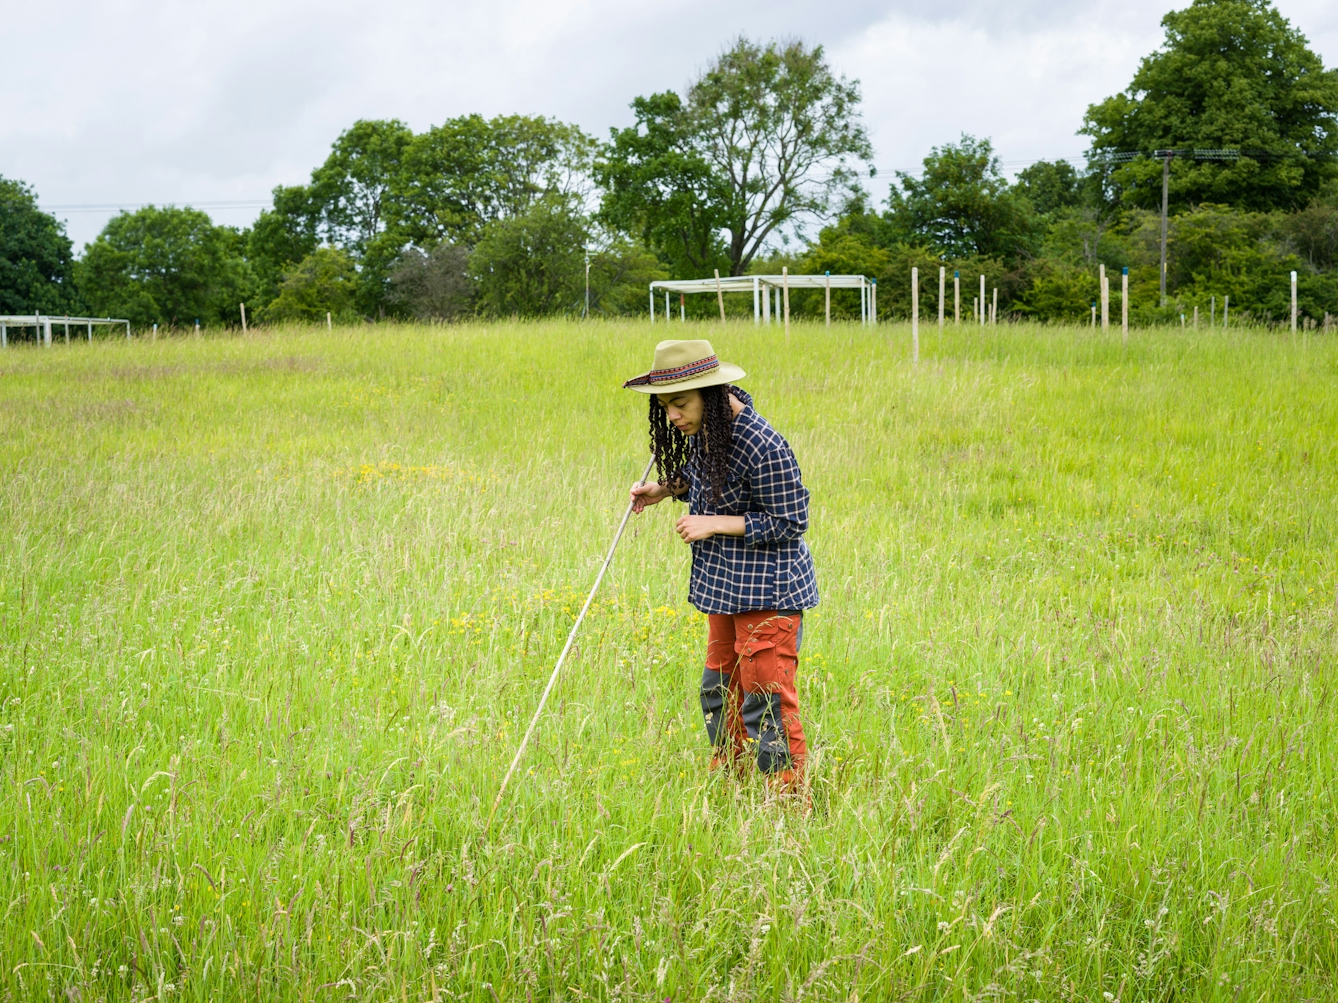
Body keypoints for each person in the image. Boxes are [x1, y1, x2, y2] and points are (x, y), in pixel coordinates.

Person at [625, 339, 818, 795]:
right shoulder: (708, 431)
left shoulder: (762, 442)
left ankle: (786, 803)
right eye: (665, 406)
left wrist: (713, 524)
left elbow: (791, 521)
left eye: (680, 404)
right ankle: (731, 780)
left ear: (710, 395)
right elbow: (706, 479)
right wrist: (665, 489)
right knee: (718, 690)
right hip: (724, 589)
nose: (672, 416)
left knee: (766, 703)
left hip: (768, 595)